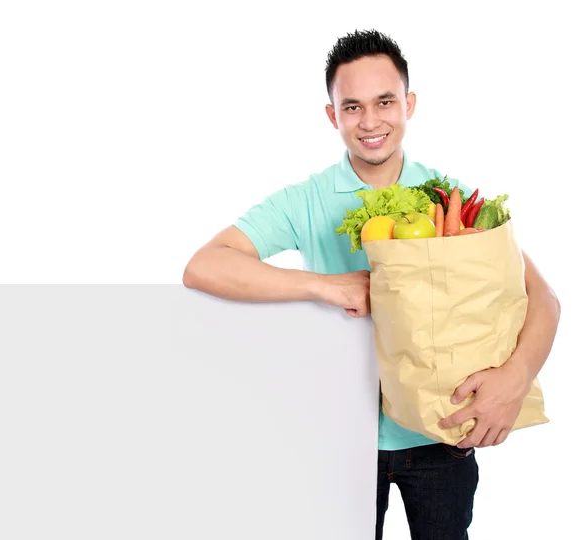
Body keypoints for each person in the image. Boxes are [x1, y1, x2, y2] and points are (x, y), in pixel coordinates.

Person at [182, 29, 561, 540]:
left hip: (442, 432)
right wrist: (324, 286)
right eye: (352, 107)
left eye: (385, 102)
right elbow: (204, 266)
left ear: (408, 104)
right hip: (340, 436)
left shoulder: (451, 197)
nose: (371, 121)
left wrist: (514, 379)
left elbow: (544, 297)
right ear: (332, 115)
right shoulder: (307, 200)